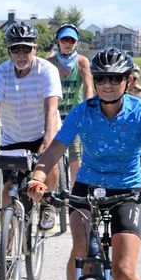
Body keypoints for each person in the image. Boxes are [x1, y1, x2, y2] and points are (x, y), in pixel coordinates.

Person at [26, 47, 141, 280]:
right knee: (81, 252)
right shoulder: (83, 110)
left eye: (115, 78)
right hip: (87, 187)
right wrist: (39, 174)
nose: (107, 84)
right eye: (101, 77)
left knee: (123, 269)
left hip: (127, 191)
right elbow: (56, 147)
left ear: (128, 81)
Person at [0, 21, 62, 279]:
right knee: (9, 194)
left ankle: (47, 204)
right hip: (13, 137)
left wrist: (47, 141)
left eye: (26, 49)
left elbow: (51, 109)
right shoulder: (0, 74)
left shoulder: (47, 71)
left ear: (35, 48)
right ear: (9, 51)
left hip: (44, 131)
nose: (21, 55)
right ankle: (7, 255)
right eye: (15, 50)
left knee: (51, 159)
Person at [49, 23, 94, 183]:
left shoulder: (82, 62)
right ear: (58, 42)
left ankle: (76, 194)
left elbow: (88, 87)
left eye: (71, 40)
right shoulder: (50, 63)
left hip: (74, 114)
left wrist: (89, 110)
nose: (68, 43)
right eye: (64, 40)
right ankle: (50, 195)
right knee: (50, 152)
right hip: (54, 114)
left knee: (76, 155)